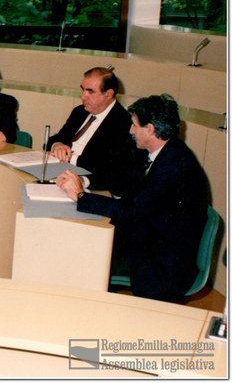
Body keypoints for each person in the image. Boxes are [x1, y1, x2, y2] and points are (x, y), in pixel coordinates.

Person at [57, 94, 209, 302]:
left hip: (162, 261)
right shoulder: (163, 150)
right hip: (151, 236)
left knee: (86, 252)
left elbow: (131, 211)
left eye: (135, 125)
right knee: (86, 241)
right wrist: (84, 181)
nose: (130, 130)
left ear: (150, 129)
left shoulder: (173, 165)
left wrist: (80, 196)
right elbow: (124, 178)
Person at [45, 66, 146, 197]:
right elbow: (56, 139)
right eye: (83, 89)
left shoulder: (124, 123)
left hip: (90, 186)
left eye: (90, 92)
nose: (83, 96)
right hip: (59, 172)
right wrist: (57, 145)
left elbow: (109, 169)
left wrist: (70, 158)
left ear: (108, 94)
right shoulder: (79, 112)